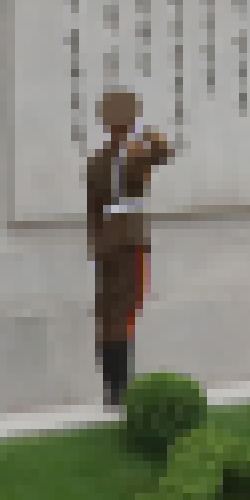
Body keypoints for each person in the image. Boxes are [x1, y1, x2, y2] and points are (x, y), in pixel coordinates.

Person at [85, 88, 175, 410]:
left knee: (108, 314)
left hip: (106, 241)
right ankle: (123, 389)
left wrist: (96, 245)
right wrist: (148, 133)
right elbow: (165, 151)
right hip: (130, 240)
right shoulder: (135, 154)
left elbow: (93, 209)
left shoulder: (97, 160)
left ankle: (112, 389)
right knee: (126, 312)